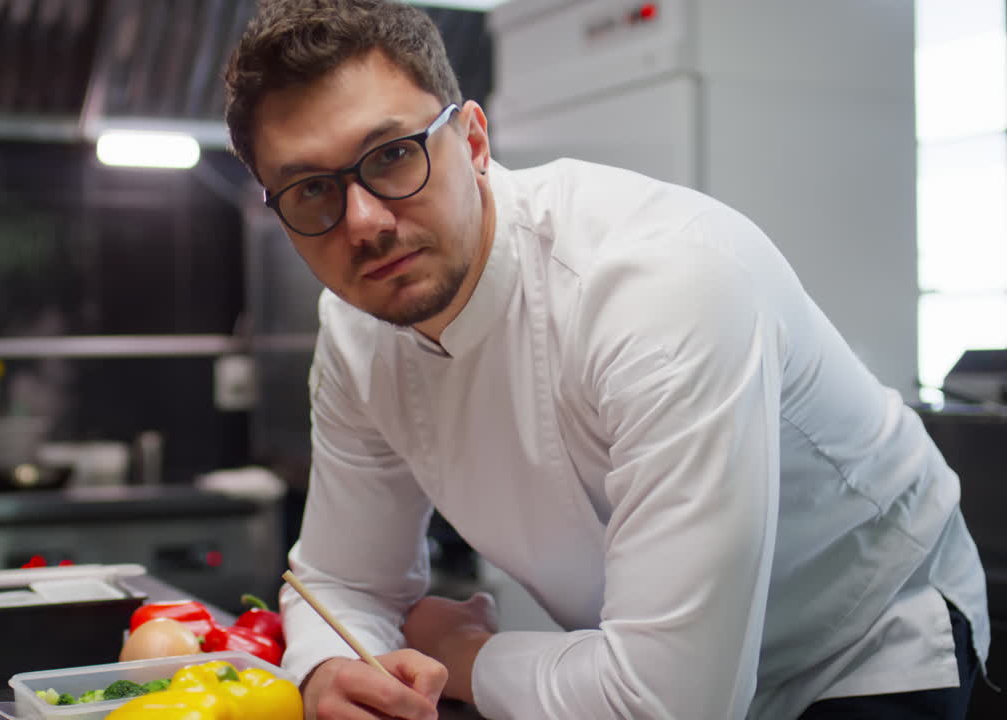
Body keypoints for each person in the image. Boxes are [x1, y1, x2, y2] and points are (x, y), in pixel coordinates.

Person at [222, 1, 991, 718]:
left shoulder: (664, 284)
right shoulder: (358, 332)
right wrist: (330, 669)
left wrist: (463, 656)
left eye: (392, 156)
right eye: (310, 190)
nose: (362, 222)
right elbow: (340, 582)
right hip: (644, 666)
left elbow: (673, 703)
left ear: (475, 142)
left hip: (860, 642)